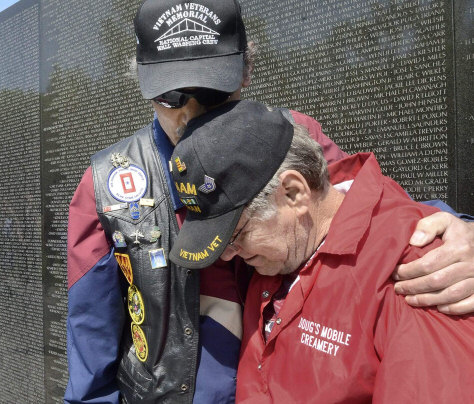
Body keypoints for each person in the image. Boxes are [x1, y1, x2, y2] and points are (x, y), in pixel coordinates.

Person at [65, 0, 474, 402]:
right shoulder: (109, 183)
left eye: (209, 92)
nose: (189, 115)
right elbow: (91, 343)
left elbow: (357, 202)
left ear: (245, 71)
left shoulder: (285, 136)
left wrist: (449, 229)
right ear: (141, 83)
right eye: (170, 97)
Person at [168, 100, 474, 402]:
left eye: (236, 234)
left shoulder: (421, 272)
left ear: (294, 193)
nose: (227, 255)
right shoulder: (284, 248)